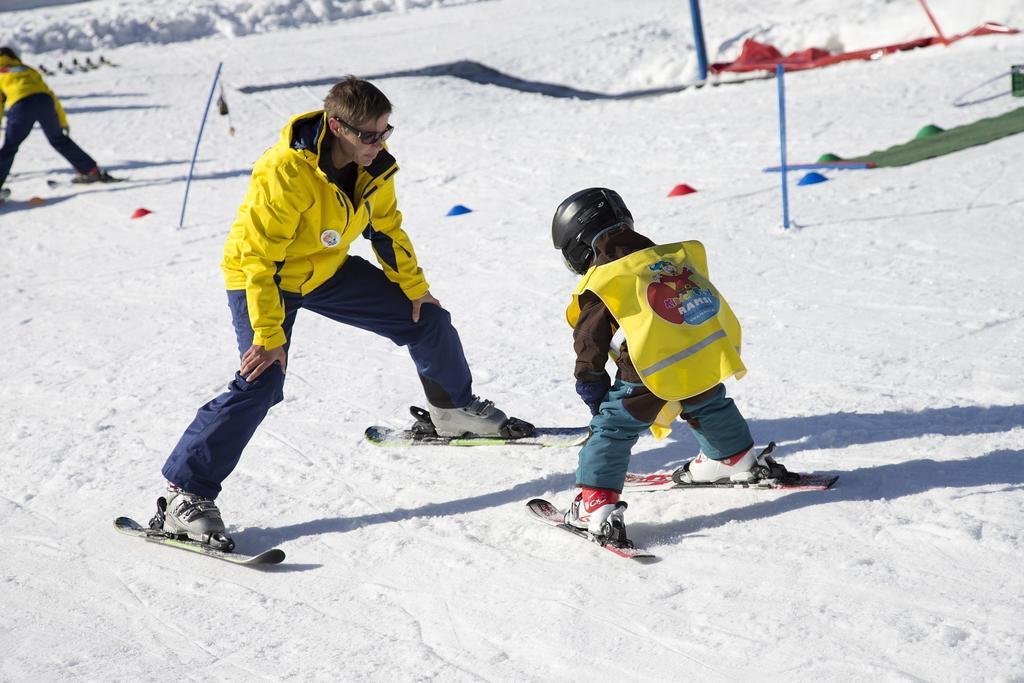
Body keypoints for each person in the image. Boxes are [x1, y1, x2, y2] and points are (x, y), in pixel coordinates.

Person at [155, 76, 533, 550]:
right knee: (263, 378)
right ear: (337, 126)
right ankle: (184, 496)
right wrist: (268, 333)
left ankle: (452, 411)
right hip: (264, 277)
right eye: (369, 135)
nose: (379, 143)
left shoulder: (375, 168)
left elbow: (386, 229)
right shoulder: (285, 172)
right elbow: (258, 258)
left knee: (428, 319)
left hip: (326, 270)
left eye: (385, 131)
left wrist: (417, 290)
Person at [550, 187, 789, 545]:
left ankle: (595, 505)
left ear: (579, 247)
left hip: (650, 369)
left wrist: (590, 381)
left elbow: (590, 341)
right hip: (701, 354)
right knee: (707, 401)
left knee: (612, 428)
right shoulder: (664, 259)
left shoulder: (606, 278)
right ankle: (732, 457)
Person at [0, 47, 111, 201]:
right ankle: (90, 170)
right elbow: (50, 94)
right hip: (45, 101)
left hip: (21, 104)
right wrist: (62, 121)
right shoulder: (27, 69)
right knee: (58, 139)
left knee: (10, 147)